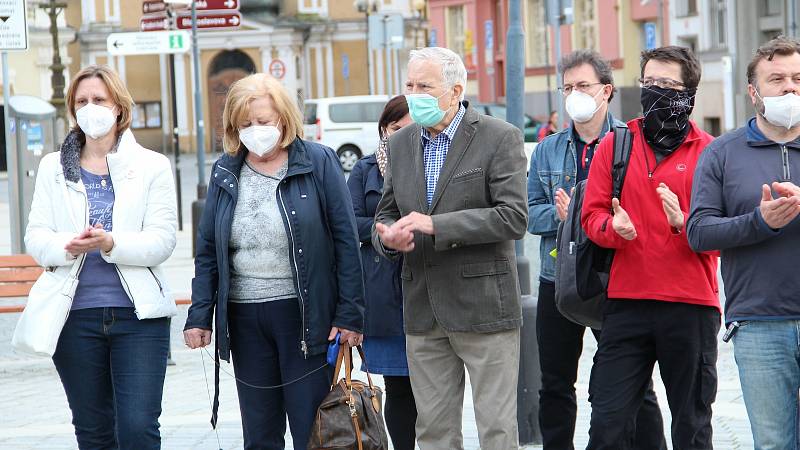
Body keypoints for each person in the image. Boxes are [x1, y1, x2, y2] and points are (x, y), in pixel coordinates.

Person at [183, 73, 365, 450]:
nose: (255, 131)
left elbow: (346, 240)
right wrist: (200, 315)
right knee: (260, 433)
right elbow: (207, 252)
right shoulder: (226, 170)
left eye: (263, 122)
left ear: (283, 118)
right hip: (245, 319)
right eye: (245, 124)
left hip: (304, 317)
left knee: (311, 430)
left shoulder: (317, 161)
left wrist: (350, 313)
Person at [372, 46, 528, 450]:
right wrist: (387, 236)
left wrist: (436, 226)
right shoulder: (401, 142)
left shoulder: (499, 136)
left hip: (484, 308)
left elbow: (513, 217)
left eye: (424, 85)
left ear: (455, 90)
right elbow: (385, 214)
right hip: (423, 309)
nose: (413, 93)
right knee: (434, 433)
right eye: (409, 84)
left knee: (496, 431)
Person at [25, 64, 178, 450]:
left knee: (138, 428)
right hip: (74, 317)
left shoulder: (152, 166)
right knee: (93, 431)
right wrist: (66, 245)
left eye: (99, 99)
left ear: (119, 107)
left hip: (138, 317)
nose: (90, 107)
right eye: (82, 101)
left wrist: (111, 243)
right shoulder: (52, 168)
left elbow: (162, 240)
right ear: (72, 110)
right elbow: (36, 236)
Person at [580, 46, 719, 449]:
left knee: (691, 428)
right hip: (626, 305)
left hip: (691, 306)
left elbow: (724, 236)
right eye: (649, 82)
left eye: (667, 84)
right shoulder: (616, 145)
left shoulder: (711, 152)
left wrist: (684, 224)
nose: (655, 91)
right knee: (607, 424)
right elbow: (591, 219)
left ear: (689, 93)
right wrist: (613, 227)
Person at [527, 49, 666, 450]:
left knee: (631, 382)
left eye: (583, 85)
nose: (574, 94)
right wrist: (564, 218)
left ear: (606, 91)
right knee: (554, 382)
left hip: (616, 279)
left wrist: (587, 215)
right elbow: (528, 214)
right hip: (559, 278)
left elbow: (643, 213)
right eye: (567, 87)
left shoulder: (632, 142)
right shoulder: (547, 150)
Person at [687, 36, 800, 450]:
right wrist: (760, 222)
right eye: (777, 79)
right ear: (753, 92)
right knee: (773, 443)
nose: (790, 88)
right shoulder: (721, 153)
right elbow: (698, 232)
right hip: (758, 324)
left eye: (798, 78)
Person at [346, 95, 416, 450]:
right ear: (384, 130)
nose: (402, 135)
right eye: (395, 128)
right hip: (383, 291)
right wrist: (387, 229)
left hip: (426, 285)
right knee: (399, 387)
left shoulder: (432, 163)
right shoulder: (365, 170)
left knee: (434, 386)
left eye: (410, 128)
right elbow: (348, 223)